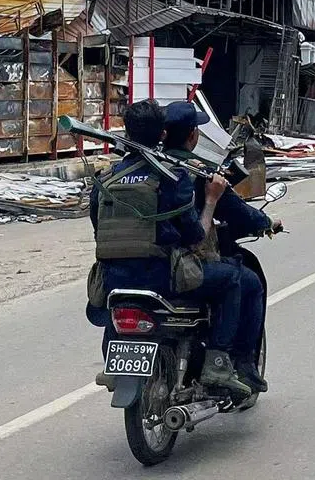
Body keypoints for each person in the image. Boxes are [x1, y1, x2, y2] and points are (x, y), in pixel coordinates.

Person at [87, 100, 253, 398]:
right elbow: (194, 237)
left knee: (122, 290)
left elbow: (100, 231)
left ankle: (114, 361)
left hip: (111, 280)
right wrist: (212, 199)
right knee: (232, 278)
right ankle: (217, 363)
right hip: (163, 277)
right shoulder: (173, 178)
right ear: (162, 134)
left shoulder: (106, 179)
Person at [161, 101, 275, 393]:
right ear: (192, 136)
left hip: (132, 268)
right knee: (243, 280)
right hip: (179, 267)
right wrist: (266, 222)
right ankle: (230, 362)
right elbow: (235, 214)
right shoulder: (198, 176)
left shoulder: (138, 170)